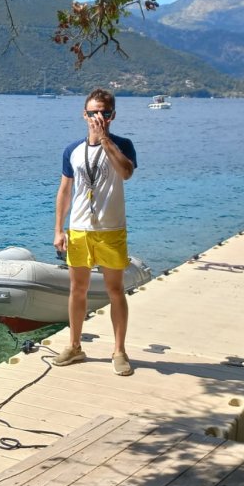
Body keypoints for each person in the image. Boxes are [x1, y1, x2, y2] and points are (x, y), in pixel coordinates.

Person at [53, 88, 138, 376]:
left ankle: (119, 351)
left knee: (115, 291)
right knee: (78, 290)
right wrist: (59, 230)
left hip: (111, 230)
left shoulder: (123, 145)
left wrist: (104, 141)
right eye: (92, 112)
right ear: (84, 114)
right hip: (79, 230)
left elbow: (126, 172)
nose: (97, 117)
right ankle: (75, 346)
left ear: (112, 115)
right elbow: (65, 191)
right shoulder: (72, 150)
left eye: (103, 112)